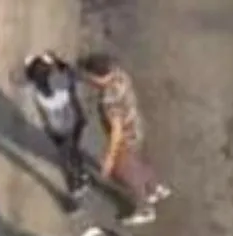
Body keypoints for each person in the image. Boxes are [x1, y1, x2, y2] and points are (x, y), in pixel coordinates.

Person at [76, 52, 171, 226]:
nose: (87, 80)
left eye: (89, 76)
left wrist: (110, 160)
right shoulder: (120, 75)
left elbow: (116, 132)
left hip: (125, 141)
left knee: (128, 176)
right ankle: (155, 188)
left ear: (99, 77)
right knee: (139, 162)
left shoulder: (108, 100)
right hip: (136, 127)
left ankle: (144, 209)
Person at [22, 51, 88, 208]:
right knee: (75, 148)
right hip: (75, 120)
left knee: (65, 161)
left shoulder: (35, 93)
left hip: (58, 132)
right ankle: (82, 172)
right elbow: (73, 74)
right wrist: (57, 61)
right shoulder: (61, 81)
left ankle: (75, 193)